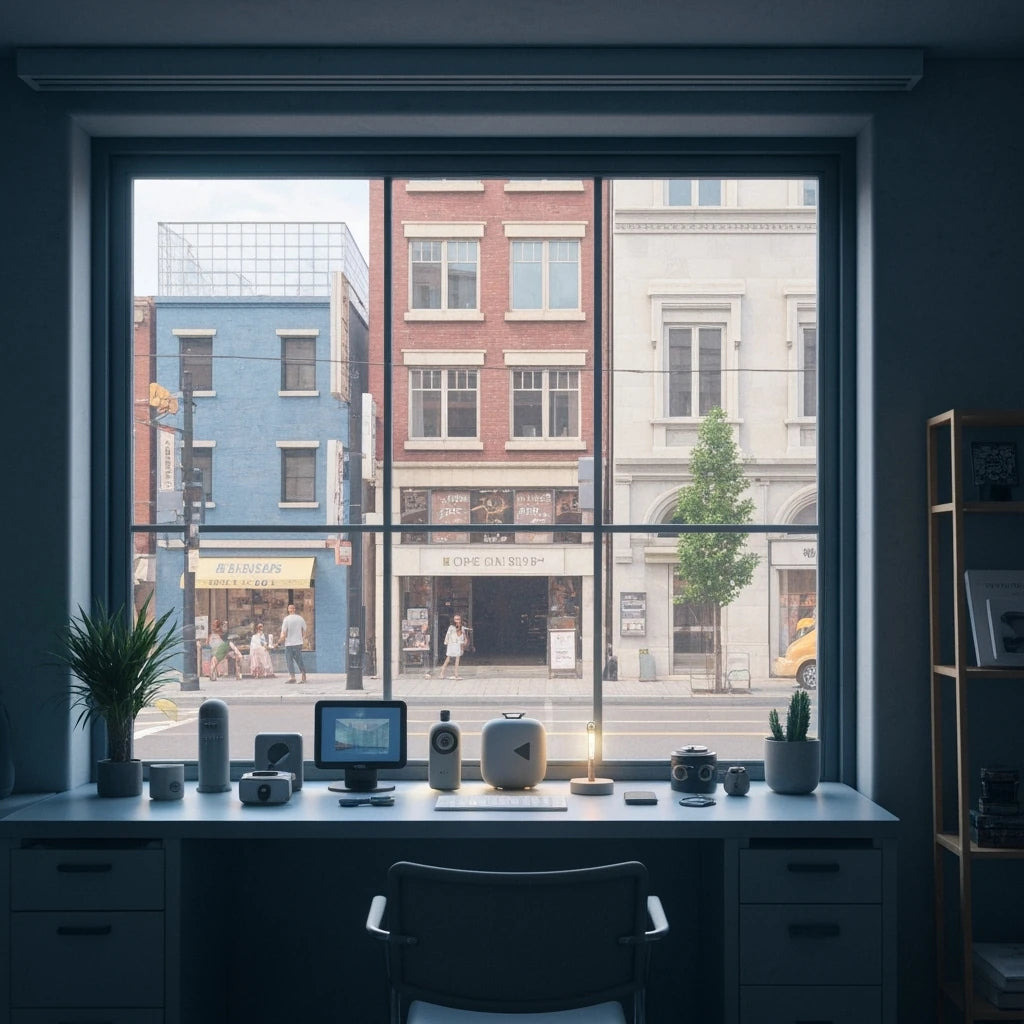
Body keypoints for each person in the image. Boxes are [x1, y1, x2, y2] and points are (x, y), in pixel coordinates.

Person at [278, 604, 307, 684]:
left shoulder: (286, 619)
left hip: (289, 643)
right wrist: (302, 639)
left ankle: (292, 677)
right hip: (298, 643)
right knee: (299, 660)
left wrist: (278, 642)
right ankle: (303, 675)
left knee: (289, 660)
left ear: (288, 609)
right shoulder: (300, 618)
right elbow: (304, 630)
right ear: (294, 609)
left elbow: (284, 633)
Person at [439, 614, 468, 680]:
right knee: (448, 658)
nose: (457, 621)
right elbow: (448, 635)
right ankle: (442, 673)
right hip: (452, 644)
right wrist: (446, 642)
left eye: (458, 619)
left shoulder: (462, 627)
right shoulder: (451, 627)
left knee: (457, 659)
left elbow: (463, 636)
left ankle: (456, 674)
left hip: (458, 644)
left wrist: (464, 642)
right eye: (456, 619)